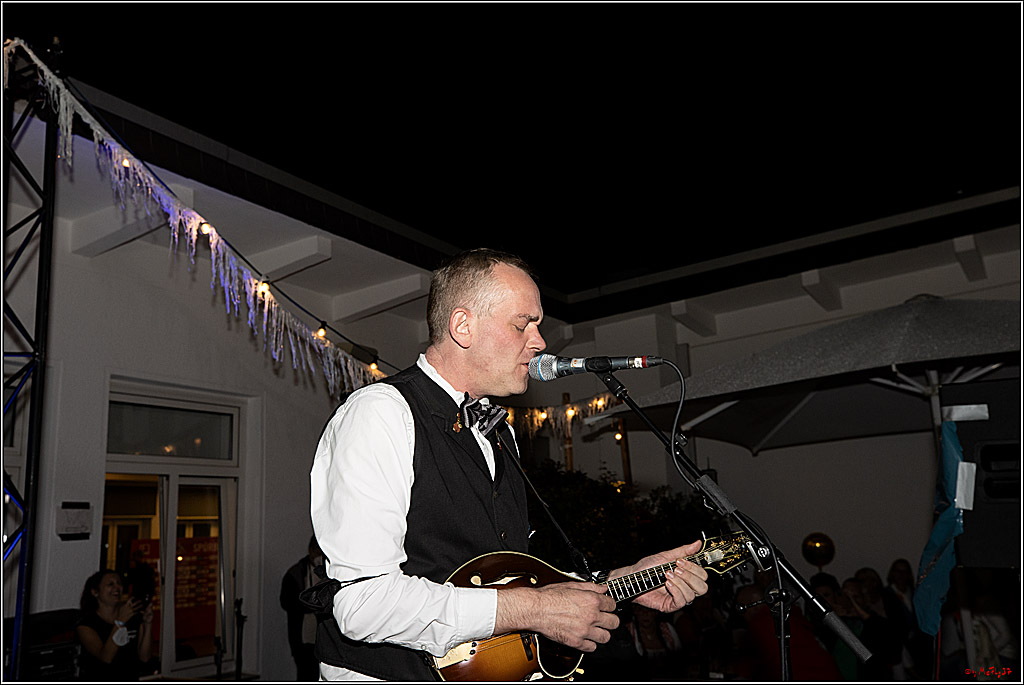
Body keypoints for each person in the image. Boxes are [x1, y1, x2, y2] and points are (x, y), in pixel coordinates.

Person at [309, 248, 710, 680]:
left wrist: (626, 581)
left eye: (537, 326)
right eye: (523, 324)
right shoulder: (380, 414)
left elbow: (513, 582)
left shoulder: (499, 430)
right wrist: (535, 609)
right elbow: (362, 604)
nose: (539, 342)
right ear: (462, 326)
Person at [75, 568, 154, 680]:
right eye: (110, 584)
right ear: (95, 592)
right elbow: (106, 658)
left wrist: (148, 623)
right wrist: (120, 622)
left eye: (119, 583)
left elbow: (145, 657)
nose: (116, 588)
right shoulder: (86, 625)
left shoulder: (133, 618)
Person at [281, 535, 326, 680]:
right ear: (311, 550)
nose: (319, 556)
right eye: (317, 552)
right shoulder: (296, 574)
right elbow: (286, 602)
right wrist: (310, 606)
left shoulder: (330, 573)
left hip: (323, 638)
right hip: (302, 638)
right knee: (305, 674)